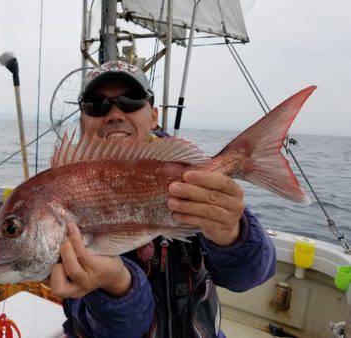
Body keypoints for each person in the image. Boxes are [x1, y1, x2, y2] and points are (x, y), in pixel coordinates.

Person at [47, 60, 276, 337]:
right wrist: (117, 285)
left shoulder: (190, 179)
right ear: (83, 121)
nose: (114, 113)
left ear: (153, 116)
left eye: (130, 101)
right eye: (97, 104)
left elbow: (250, 277)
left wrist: (232, 233)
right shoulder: (58, 196)